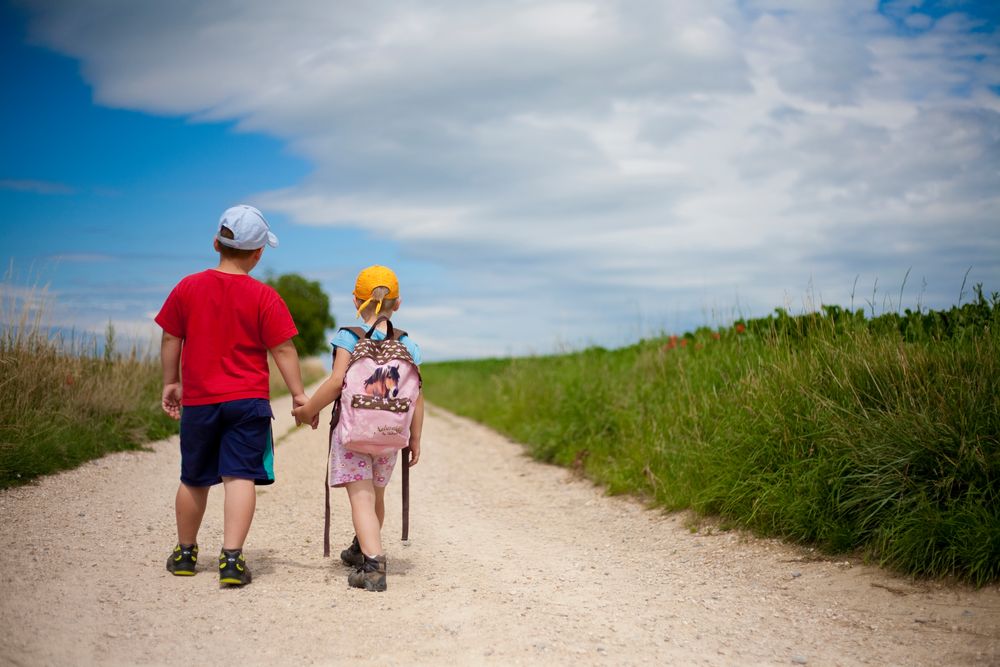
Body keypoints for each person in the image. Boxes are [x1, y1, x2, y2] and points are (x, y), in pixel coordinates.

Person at [155, 204, 309, 587]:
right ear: (258, 254)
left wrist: (170, 381)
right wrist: (298, 394)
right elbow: (284, 350)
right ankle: (231, 560)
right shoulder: (264, 297)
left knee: (193, 478)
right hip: (248, 402)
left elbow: (172, 336)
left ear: (215, 243)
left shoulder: (187, 287)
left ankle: (186, 553)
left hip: (201, 401)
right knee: (239, 476)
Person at [292, 265, 423, 592]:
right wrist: (415, 438)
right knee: (376, 496)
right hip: (392, 436)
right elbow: (418, 396)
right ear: (399, 303)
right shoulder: (408, 343)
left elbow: (337, 382)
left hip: (353, 434)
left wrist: (309, 409)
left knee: (361, 500)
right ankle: (362, 547)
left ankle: (374, 566)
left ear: (356, 301)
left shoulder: (348, 338)